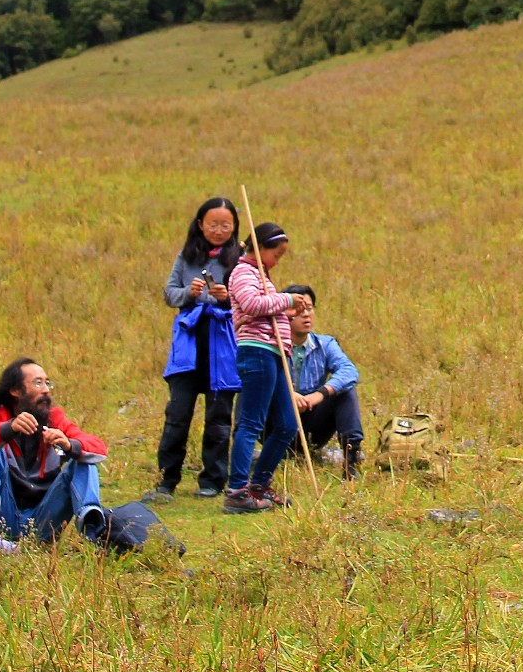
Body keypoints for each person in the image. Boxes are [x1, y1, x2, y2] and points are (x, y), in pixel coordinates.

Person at [149, 197, 243, 501]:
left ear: (234, 227)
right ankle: (166, 479)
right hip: (189, 341)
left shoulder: (240, 258)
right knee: (177, 413)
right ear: (200, 224)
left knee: (219, 414)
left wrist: (227, 297)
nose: (218, 230)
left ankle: (213, 480)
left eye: (225, 225)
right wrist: (188, 294)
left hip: (222, 341)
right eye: (212, 224)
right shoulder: (186, 255)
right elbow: (169, 293)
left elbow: (249, 299)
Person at [0, 357, 109, 545]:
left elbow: (98, 448)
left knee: (83, 460)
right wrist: (8, 429)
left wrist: (69, 445)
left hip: (43, 521)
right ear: (15, 390)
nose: (46, 390)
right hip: (4, 518)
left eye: (48, 383)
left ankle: (94, 536)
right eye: (38, 383)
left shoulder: (54, 420)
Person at [223, 221, 314, 514]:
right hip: (257, 352)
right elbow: (250, 304)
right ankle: (237, 491)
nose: (278, 260)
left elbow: (265, 308)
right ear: (260, 248)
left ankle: (259, 486)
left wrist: (286, 310)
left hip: (275, 354)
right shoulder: (242, 272)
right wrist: (287, 298)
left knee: (287, 424)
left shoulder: (263, 276)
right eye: (276, 254)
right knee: (251, 422)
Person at [281, 285, 364, 479]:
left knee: (345, 389)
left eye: (309, 308)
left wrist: (319, 395)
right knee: (251, 388)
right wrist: (287, 395)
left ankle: (351, 460)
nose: (306, 315)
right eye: (299, 310)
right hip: (278, 421)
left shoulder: (325, 344)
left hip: (312, 424)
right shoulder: (272, 344)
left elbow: (349, 371)